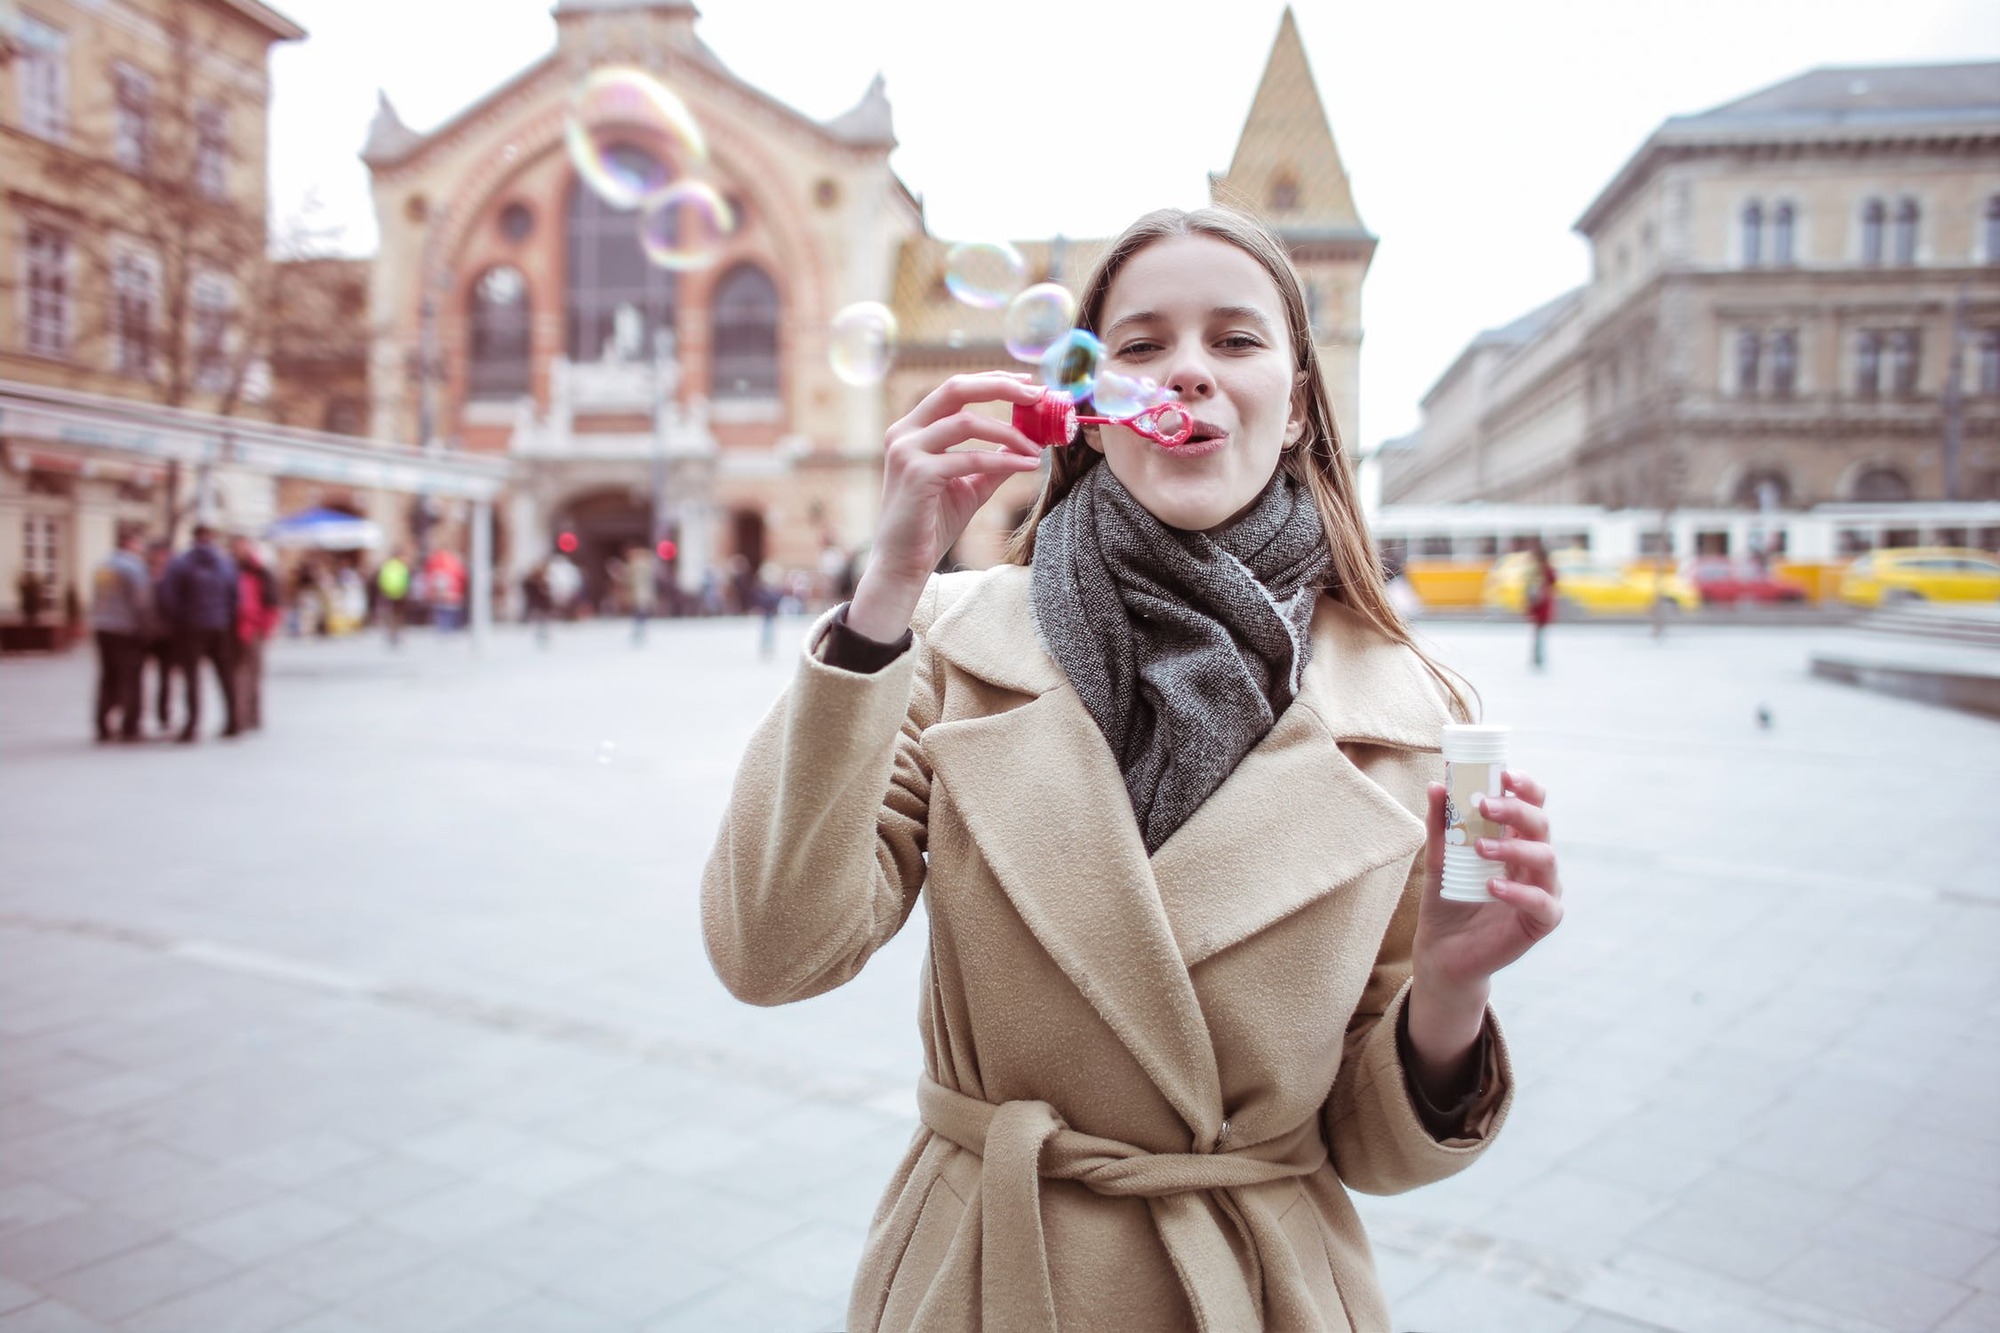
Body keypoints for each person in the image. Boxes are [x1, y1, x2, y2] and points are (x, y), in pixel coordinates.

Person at [702, 207, 1565, 1333]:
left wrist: (1449, 990)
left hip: (1257, 1288)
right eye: (1143, 345)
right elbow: (772, 954)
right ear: (1091, 417)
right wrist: (885, 595)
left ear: (1299, 405)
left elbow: (1368, 1147)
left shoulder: (1417, 715)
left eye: (1235, 340)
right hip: (982, 1274)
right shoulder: (947, 646)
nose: (1188, 372)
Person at [157, 524, 239, 741]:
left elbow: (167, 595)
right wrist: (225, 616)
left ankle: (192, 725)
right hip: (220, 625)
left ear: (193, 538)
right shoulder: (225, 563)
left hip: (191, 627)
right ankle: (233, 721)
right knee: (225, 675)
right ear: (211, 538)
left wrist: (179, 618)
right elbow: (235, 595)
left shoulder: (181, 563)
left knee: (192, 677)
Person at [89, 524, 152, 742]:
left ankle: (102, 724)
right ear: (129, 542)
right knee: (131, 679)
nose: (142, 547)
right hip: (125, 631)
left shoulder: (102, 565)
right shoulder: (133, 567)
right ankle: (130, 726)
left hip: (102, 628)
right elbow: (141, 602)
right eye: (139, 542)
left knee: (107, 677)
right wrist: (147, 631)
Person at [230, 537, 282, 730]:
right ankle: (240, 715)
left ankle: (252, 714)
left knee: (251, 674)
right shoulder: (230, 569)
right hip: (234, 630)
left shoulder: (261, 572)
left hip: (254, 629)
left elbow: (273, 602)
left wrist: (266, 628)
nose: (239, 550)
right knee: (239, 675)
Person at [142, 539, 177, 732]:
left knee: (166, 678)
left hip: (167, 636)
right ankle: (134, 717)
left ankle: (164, 715)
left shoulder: (174, 576)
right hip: (145, 633)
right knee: (137, 677)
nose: (161, 558)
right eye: (158, 554)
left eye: (164, 554)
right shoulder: (142, 574)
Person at [1525, 537, 1559, 670]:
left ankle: (1537, 657)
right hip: (1542, 605)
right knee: (1539, 633)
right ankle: (1538, 658)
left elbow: (1528, 588)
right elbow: (1553, 581)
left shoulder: (1535, 570)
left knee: (1538, 633)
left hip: (1538, 605)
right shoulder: (1545, 570)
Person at [622, 542, 659, 644]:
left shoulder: (635, 565)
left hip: (638, 593)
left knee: (638, 612)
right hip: (643, 593)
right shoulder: (647, 566)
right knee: (641, 611)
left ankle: (639, 630)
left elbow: (628, 579)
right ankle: (640, 629)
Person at [424, 546, 467, 632]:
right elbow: (461, 577)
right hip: (451, 592)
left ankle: (444, 627)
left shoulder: (437, 563)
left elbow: (429, 575)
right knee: (447, 610)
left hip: (446, 593)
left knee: (443, 609)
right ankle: (447, 627)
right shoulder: (453, 563)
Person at [375, 548, 411, 645]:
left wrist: (383, 590)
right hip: (400, 592)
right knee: (398, 614)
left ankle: (391, 631)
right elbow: (406, 579)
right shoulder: (402, 565)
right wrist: (406, 590)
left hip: (389, 592)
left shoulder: (387, 565)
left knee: (390, 613)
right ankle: (398, 631)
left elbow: (382, 579)